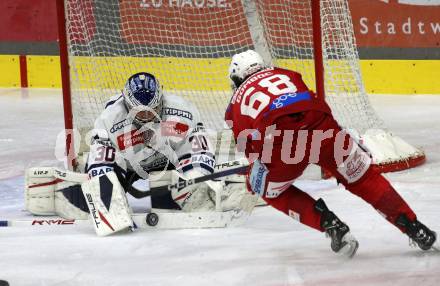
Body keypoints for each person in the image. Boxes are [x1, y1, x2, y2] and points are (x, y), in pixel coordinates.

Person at [225, 50, 437, 257]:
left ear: (236, 78)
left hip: (281, 141)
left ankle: (330, 224)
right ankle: (414, 226)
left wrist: (254, 176)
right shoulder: (287, 74)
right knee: (364, 178)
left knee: (268, 189)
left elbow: (249, 147)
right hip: (322, 125)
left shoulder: (235, 103)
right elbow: (311, 103)